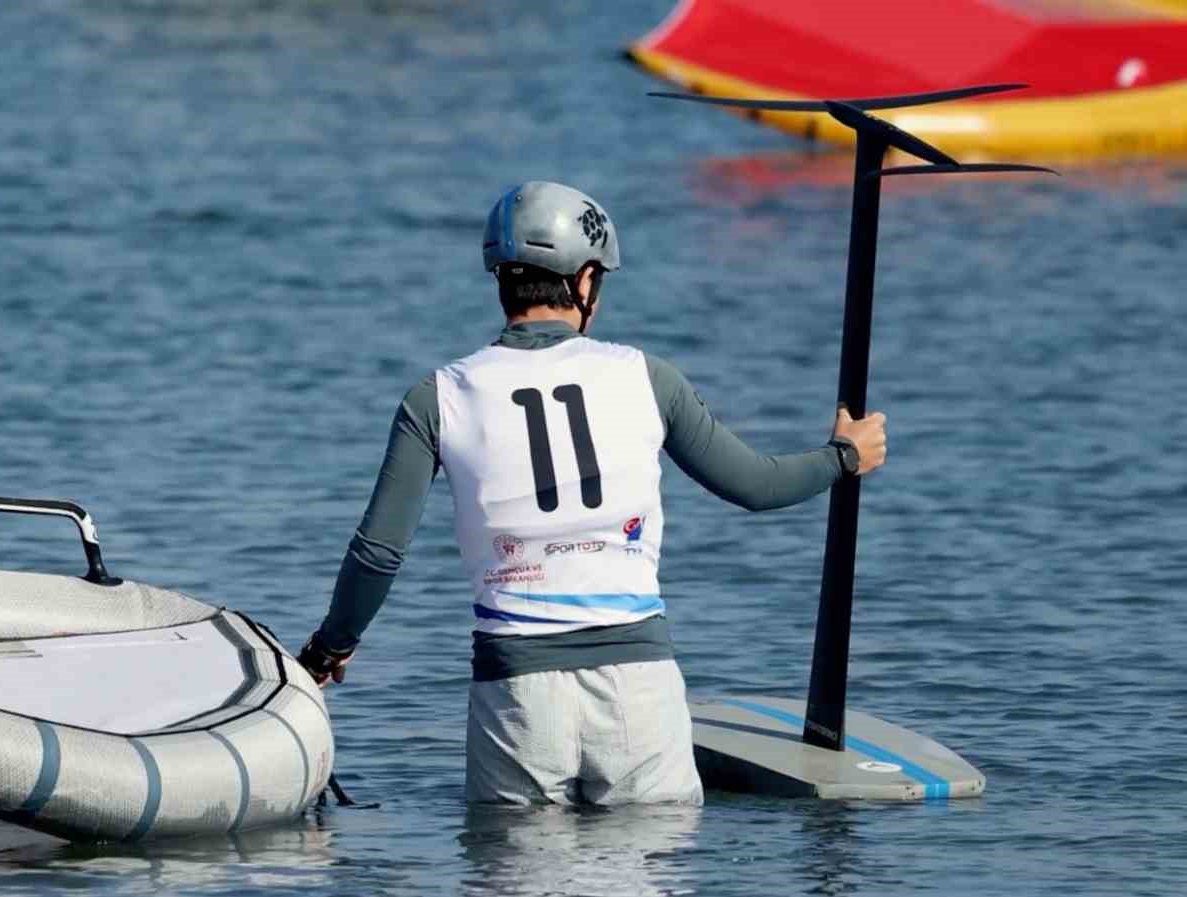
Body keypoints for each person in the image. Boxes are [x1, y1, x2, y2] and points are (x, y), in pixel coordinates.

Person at [297, 181, 888, 806]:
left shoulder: (437, 397)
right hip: (639, 693)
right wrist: (844, 456)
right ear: (583, 281)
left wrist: (329, 647)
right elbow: (757, 485)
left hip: (517, 697)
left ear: (502, 278)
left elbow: (379, 553)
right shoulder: (646, 378)